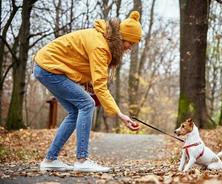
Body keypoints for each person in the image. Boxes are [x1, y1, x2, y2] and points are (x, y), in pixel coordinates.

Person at [34, 11, 142, 172]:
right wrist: (120, 114)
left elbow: (79, 62)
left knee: (74, 111)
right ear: (122, 37)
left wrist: (87, 83)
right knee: (86, 104)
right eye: (130, 43)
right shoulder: (101, 46)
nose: (129, 48)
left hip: (47, 67)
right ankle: (82, 159)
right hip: (49, 68)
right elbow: (100, 86)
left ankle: (50, 159)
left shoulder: (104, 40)